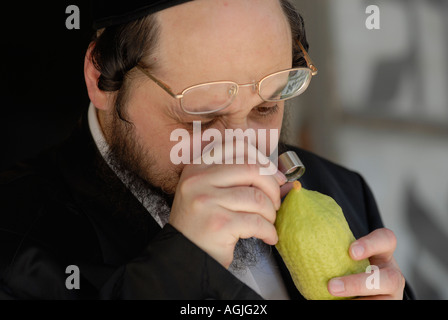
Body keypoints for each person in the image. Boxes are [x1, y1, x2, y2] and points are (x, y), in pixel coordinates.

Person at [0, 0, 413, 299]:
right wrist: (180, 270)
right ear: (101, 79)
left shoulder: (343, 189)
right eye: (201, 115)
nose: (243, 151)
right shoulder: (16, 238)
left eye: (266, 105)